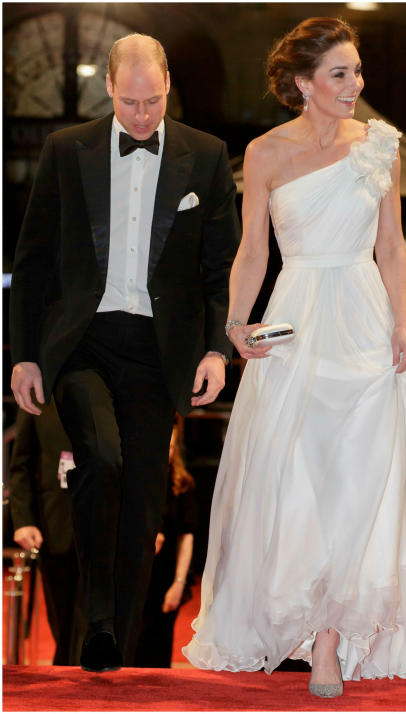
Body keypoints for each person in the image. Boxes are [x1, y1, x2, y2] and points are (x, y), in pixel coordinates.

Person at [182, 18, 406, 697]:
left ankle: (332, 638)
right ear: (303, 83)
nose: (354, 85)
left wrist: (401, 324)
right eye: (339, 74)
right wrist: (235, 325)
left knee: (361, 476)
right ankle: (304, 620)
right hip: (297, 315)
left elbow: (392, 247)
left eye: (356, 72)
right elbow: (253, 250)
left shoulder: (380, 146)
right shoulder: (267, 153)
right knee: (298, 473)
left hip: (364, 316)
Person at [9, 33, 240, 671]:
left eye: (155, 101)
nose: (143, 114)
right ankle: (98, 620)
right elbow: (29, 263)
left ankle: (127, 652)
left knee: (143, 499)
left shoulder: (207, 155)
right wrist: (24, 354)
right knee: (101, 460)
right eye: (131, 101)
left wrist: (217, 350)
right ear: (109, 87)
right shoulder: (67, 149)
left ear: (169, 86)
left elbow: (221, 268)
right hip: (82, 341)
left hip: (157, 351)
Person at [8, 404, 85, 666]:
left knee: (95, 625)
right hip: (55, 529)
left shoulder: (113, 384)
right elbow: (21, 466)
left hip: (106, 528)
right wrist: (24, 521)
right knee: (63, 627)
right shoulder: (38, 401)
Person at [134, 416, 196, 667]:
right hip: (136, 579)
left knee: (159, 650)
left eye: (171, 448)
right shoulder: (134, 482)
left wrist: (179, 583)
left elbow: (187, 536)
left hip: (166, 578)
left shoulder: (182, 484)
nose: (166, 454)